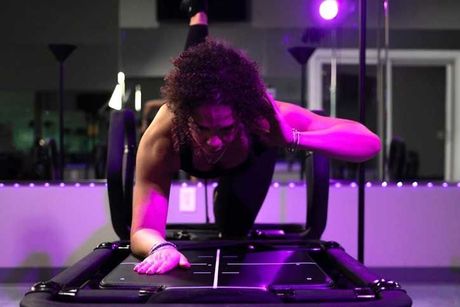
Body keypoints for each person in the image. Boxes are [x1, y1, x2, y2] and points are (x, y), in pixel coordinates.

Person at [131, 1, 381, 275]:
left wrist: (292, 138)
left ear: (243, 117)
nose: (214, 142)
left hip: (248, 161)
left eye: (226, 129)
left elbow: (369, 142)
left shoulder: (262, 118)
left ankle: (199, 15)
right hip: (191, 113)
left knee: (234, 230)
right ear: (185, 118)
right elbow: (143, 229)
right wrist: (159, 247)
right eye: (202, 129)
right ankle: (198, 13)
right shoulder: (163, 136)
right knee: (191, 71)